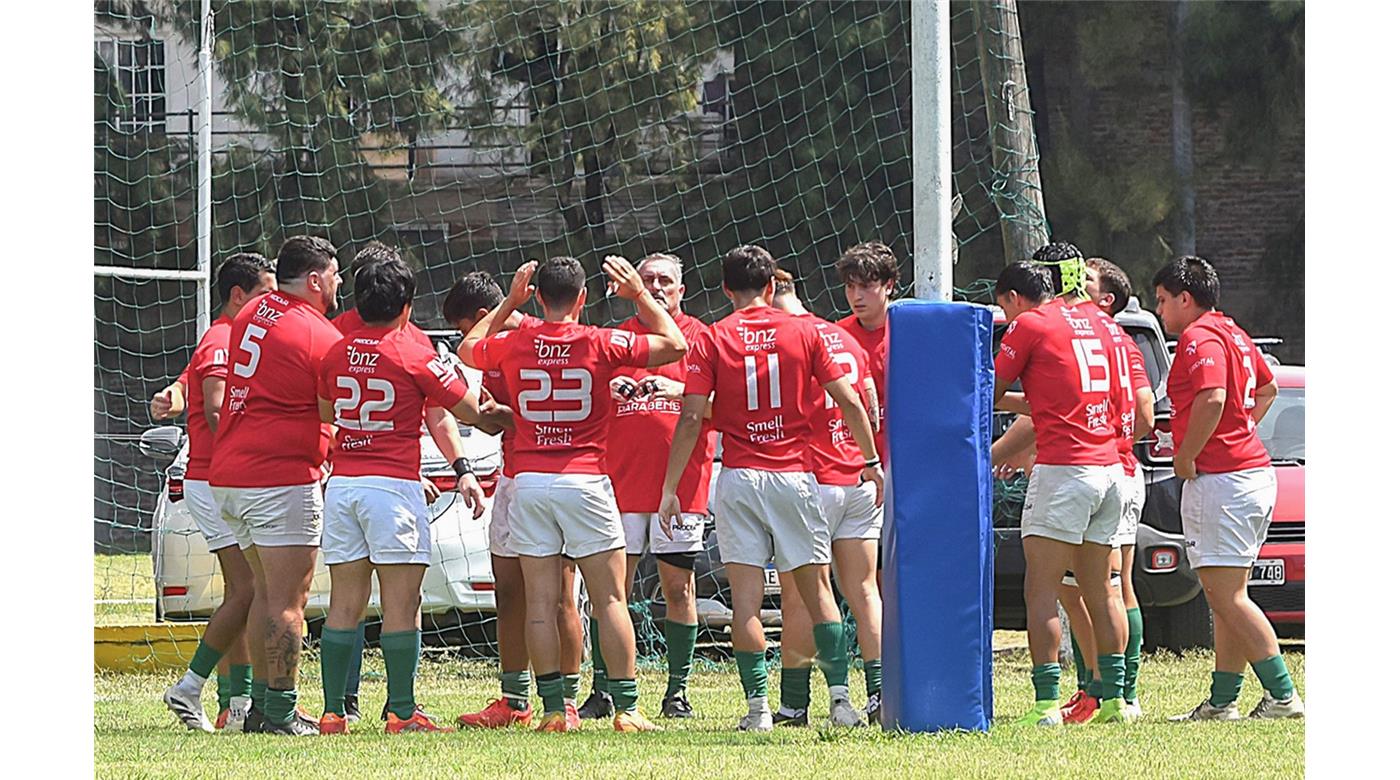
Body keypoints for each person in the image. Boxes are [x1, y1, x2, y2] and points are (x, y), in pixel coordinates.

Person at [659, 245, 883, 732]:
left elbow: (694, 415)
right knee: (819, 590)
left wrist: (671, 487)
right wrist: (870, 460)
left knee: (746, 601)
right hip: (793, 475)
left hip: (738, 477)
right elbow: (848, 398)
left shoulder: (714, 336)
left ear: (724, 290)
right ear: (769, 288)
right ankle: (842, 702)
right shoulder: (806, 330)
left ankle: (759, 707)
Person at [460, 255, 687, 733]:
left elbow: (468, 348)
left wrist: (508, 303)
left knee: (540, 601)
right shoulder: (600, 342)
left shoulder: (516, 341)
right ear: (583, 299)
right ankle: (626, 709)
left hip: (530, 481)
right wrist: (639, 295)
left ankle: (551, 711)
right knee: (609, 600)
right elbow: (675, 343)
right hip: (584, 479)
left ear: (538, 296)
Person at [315, 255, 485, 734]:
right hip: (393, 485)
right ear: (407, 306)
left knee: (344, 602)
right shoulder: (414, 353)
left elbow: (327, 411)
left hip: (343, 484)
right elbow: (467, 408)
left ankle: (333, 713)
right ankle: (402, 712)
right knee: (401, 604)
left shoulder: (335, 350)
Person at [992, 257, 1155, 722]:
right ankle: (1117, 700)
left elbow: (991, 386)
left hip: (1066, 467)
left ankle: (1045, 704)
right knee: (1105, 589)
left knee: (1041, 589)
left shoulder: (1034, 323)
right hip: (1114, 468)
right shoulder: (1111, 329)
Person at [1154, 256, 1302, 721]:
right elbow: (1268, 389)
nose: (1159, 311)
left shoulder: (1199, 336)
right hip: (1252, 475)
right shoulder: (1234, 332)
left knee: (1227, 596)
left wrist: (1186, 453)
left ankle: (1283, 696)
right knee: (1226, 596)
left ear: (1185, 297)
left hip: (1224, 481)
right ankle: (1222, 701)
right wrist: (1239, 430)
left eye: (1162, 300)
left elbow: (1213, 396)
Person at [207, 235, 344, 735]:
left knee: (265, 593)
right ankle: (283, 713)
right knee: (290, 600)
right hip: (279, 476)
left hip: (232, 474)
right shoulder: (318, 334)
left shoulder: (253, 312)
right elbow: (333, 406)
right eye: (333, 274)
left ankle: (264, 707)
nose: (339, 282)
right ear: (314, 280)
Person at [442, 271, 586, 729]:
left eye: (466, 327)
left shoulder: (535, 338)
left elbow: (556, 418)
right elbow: (494, 421)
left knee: (561, 593)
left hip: (556, 477)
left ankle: (565, 698)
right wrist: (492, 417)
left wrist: (507, 416)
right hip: (514, 476)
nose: (466, 339)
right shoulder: (494, 348)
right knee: (508, 590)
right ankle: (513, 699)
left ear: (482, 318)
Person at [584, 252, 715, 720]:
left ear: (681, 290)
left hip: (681, 485)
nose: (656, 286)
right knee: (610, 588)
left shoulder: (699, 337)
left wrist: (678, 392)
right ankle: (605, 689)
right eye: (647, 280)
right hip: (617, 483)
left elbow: (722, 402)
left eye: (665, 281)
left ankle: (677, 690)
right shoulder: (614, 339)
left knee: (678, 587)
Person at [155, 253, 275, 733]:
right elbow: (218, 408)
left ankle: (236, 703)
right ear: (238, 296)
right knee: (250, 589)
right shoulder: (225, 337)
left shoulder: (234, 338)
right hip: (213, 477)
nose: (273, 305)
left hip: (220, 476)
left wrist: (174, 393)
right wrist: (263, 454)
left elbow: (189, 381)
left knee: (242, 591)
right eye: (266, 295)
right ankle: (190, 687)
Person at [768, 269, 885, 727]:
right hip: (857, 476)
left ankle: (796, 704)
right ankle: (878, 696)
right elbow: (869, 405)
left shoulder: (786, 339)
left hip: (810, 481)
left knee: (800, 598)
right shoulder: (843, 337)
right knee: (864, 590)